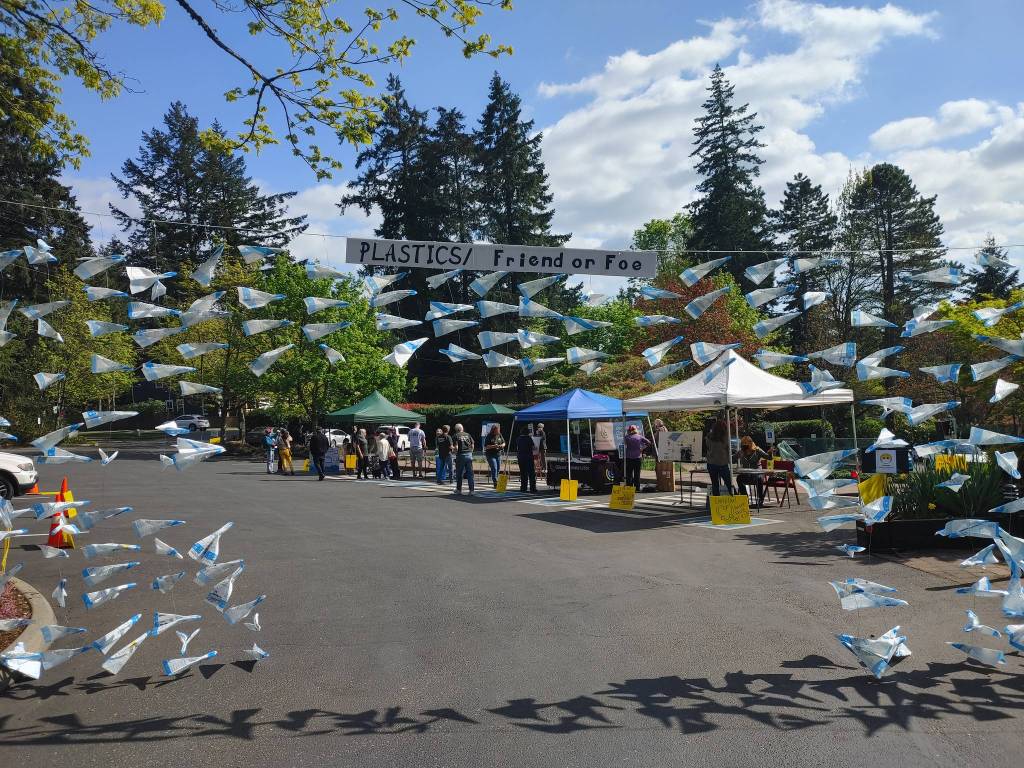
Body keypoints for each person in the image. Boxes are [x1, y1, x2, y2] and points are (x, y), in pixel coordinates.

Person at [735, 435, 770, 506]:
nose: (745, 447)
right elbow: (732, 458)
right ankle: (744, 498)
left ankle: (760, 499)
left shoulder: (757, 450)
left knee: (759, 478)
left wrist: (770, 452)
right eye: (743, 445)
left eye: (746, 445)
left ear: (751, 443)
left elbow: (768, 457)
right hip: (746, 474)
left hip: (757, 472)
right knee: (739, 478)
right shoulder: (741, 452)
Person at [706, 416, 732, 496]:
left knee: (715, 484)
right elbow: (728, 449)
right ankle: (734, 499)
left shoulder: (709, 436)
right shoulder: (725, 437)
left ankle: (716, 503)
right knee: (728, 483)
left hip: (711, 463)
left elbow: (707, 447)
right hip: (722, 463)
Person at [623, 424, 651, 491]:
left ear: (629, 430)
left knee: (629, 473)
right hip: (638, 457)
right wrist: (642, 448)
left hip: (629, 457)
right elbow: (649, 442)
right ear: (636, 430)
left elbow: (625, 444)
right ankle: (637, 488)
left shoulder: (626, 437)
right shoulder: (639, 437)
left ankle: (629, 487)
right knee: (637, 473)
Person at [452, 423, 475, 495]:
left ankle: (459, 490)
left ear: (456, 429)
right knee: (470, 473)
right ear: (462, 428)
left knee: (459, 473)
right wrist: (471, 452)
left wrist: (454, 452)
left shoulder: (455, 436)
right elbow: (472, 444)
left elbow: (456, 447)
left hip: (461, 455)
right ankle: (471, 490)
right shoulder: (468, 434)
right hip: (469, 454)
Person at [516, 426, 537, 493]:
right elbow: (534, 448)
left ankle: (523, 488)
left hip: (520, 457)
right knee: (531, 473)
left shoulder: (518, 439)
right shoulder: (529, 438)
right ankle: (532, 488)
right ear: (528, 432)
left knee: (523, 473)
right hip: (528, 457)